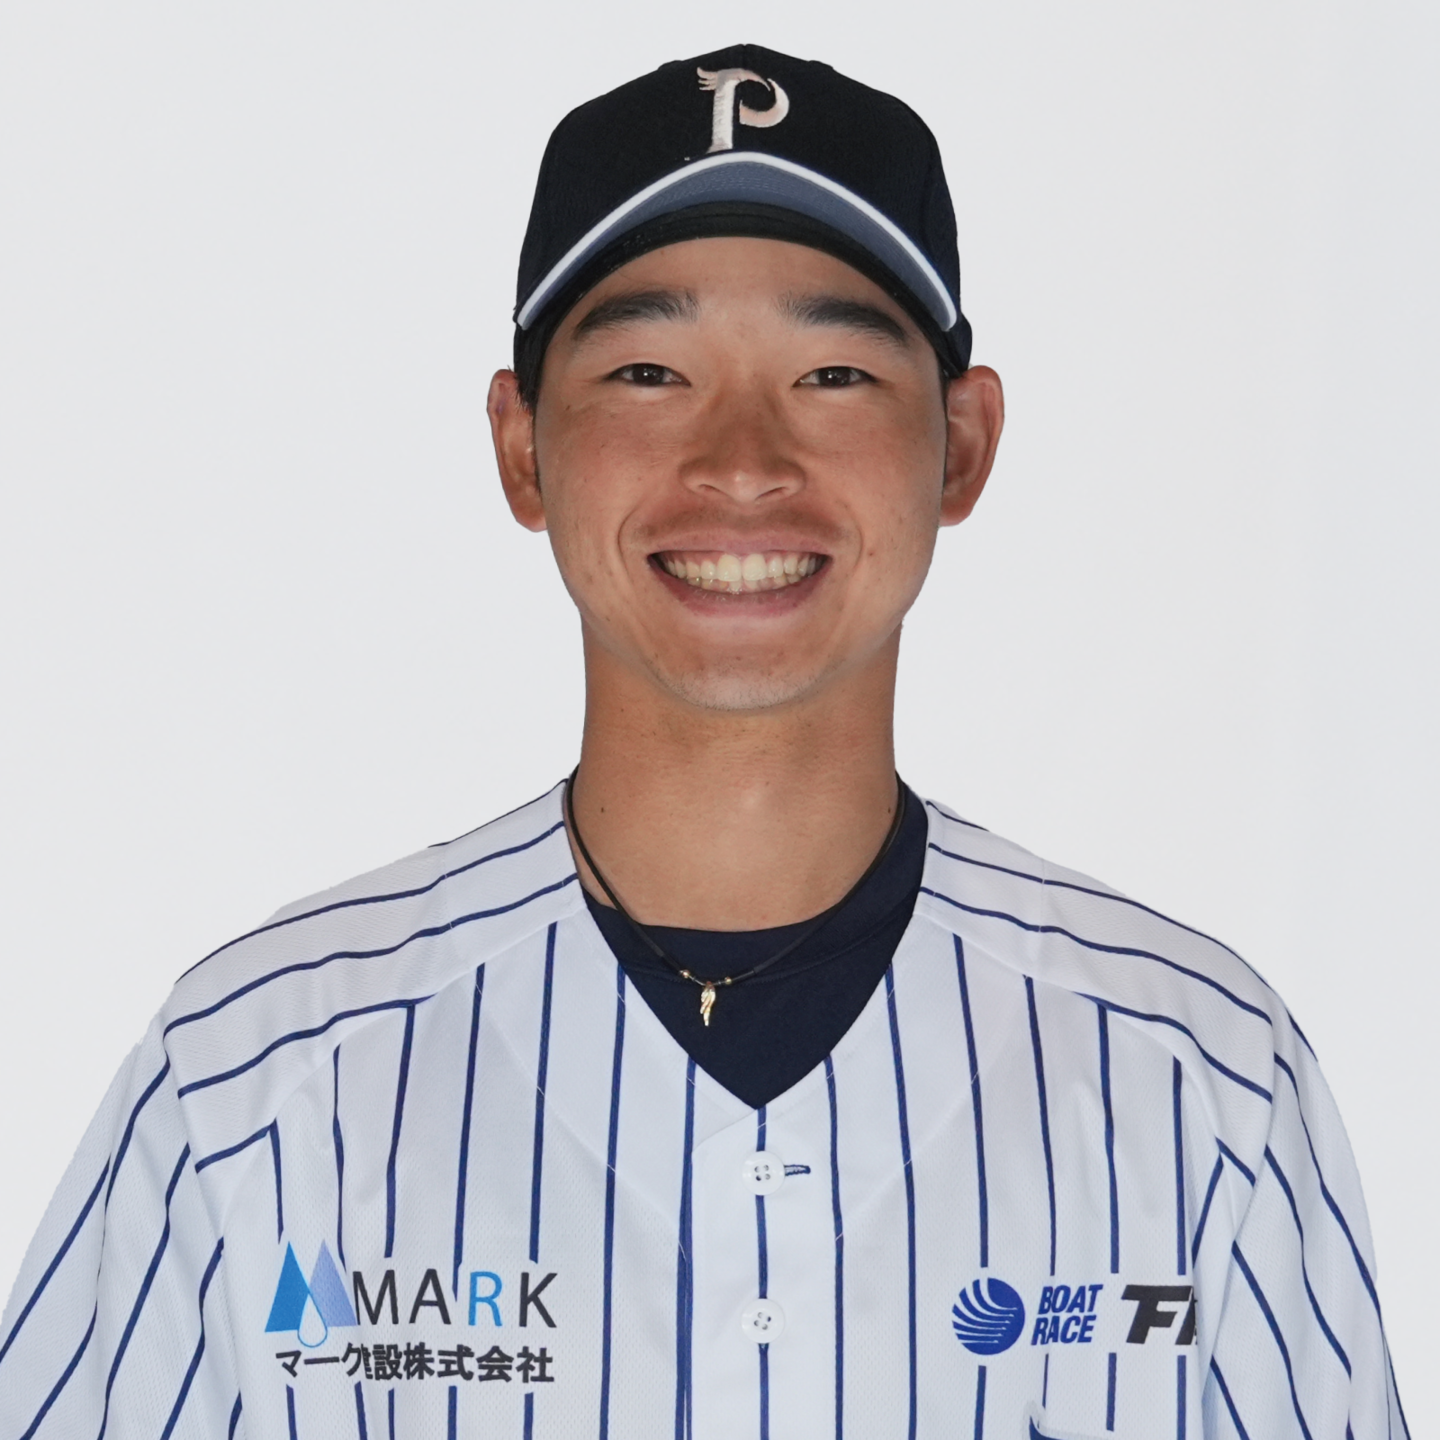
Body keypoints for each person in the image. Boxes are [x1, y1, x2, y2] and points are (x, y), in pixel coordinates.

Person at [0, 43, 1407, 1440]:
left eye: (834, 373)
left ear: (964, 442)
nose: (742, 464)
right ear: (523, 447)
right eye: (650, 371)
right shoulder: (255, 1088)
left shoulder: (1200, 1088)